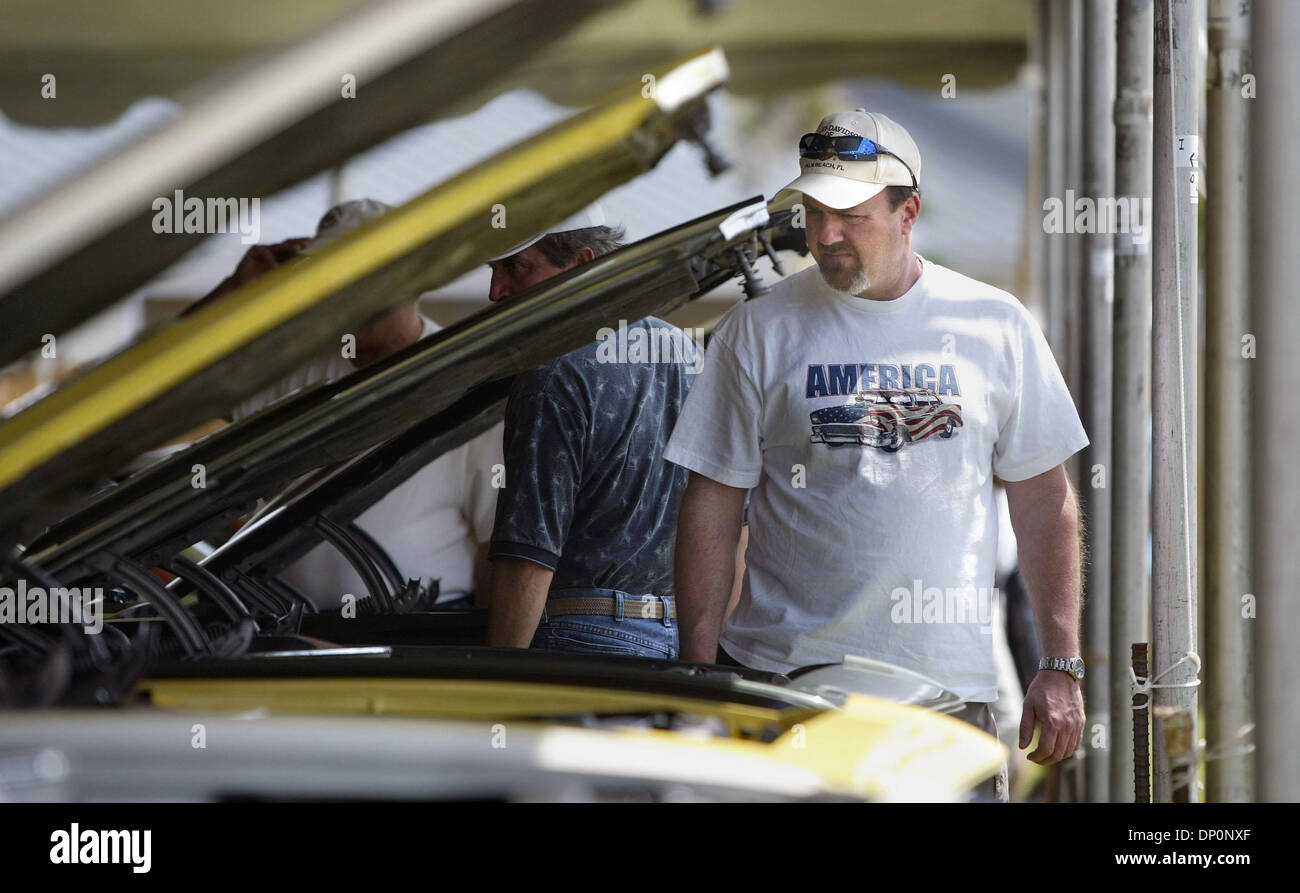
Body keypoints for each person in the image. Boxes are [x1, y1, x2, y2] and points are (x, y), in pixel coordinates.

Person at [664, 109, 1089, 800]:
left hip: (948, 701)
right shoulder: (756, 330)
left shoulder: (993, 323)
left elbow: (1044, 498)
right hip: (781, 693)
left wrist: (1059, 661)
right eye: (811, 213)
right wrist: (693, 671)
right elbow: (713, 503)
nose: (825, 235)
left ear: (907, 212)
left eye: (850, 215)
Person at [189, 199, 502, 608]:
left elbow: (500, 543)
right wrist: (232, 292)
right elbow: (157, 394)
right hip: (276, 634)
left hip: (413, 641)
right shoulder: (282, 368)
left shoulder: (466, 382)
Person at [483, 221, 696, 659]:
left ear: (581, 264)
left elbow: (529, 549)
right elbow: (735, 525)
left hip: (582, 639)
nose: (496, 291)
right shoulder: (686, 352)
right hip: (679, 639)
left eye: (515, 267)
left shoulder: (551, 372)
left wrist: (499, 680)